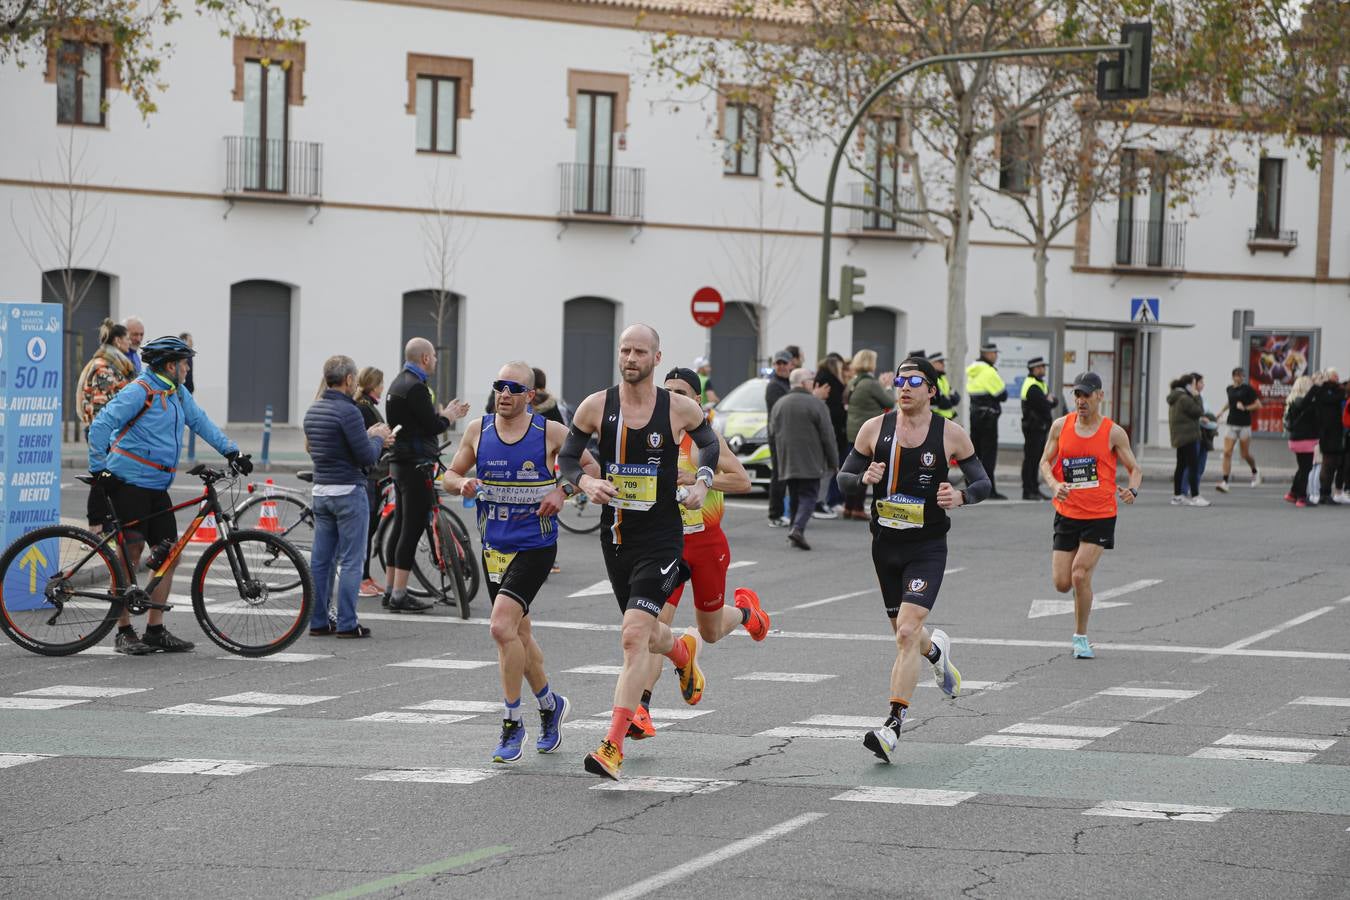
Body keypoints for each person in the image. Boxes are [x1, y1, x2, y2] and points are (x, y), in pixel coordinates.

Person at [557, 324, 722, 781]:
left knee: (632, 636)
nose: (630, 358)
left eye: (639, 351)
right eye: (625, 350)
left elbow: (709, 443)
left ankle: (612, 744)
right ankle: (683, 651)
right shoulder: (597, 405)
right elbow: (568, 457)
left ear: (655, 357)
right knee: (648, 636)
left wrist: (703, 482)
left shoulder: (678, 407)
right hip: (616, 538)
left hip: (662, 539)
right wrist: (585, 481)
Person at [836, 356, 989, 764]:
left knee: (906, 631)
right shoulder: (875, 429)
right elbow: (842, 478)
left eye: (914, 381)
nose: (904, 387)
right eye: (899, 380)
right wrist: (862, 478)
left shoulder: (950, 434)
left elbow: (982, 482)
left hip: (927, 547)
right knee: (907, 634)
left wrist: (961, 496)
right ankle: (937, 655)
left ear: (931, 390)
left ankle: (892, 725)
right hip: (884, 546)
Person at [444, 362, 585, 762]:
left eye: (513, 388)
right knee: (518, 636)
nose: (503, 394)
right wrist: (463, 483)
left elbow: (588, 467)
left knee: (500, 627)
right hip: (495, 547)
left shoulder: (551, 432)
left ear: (530, 396)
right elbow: (450, 477)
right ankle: (550, 706)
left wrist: (563, 491)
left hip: (535, 546)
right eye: (499, 386)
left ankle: (511, 724)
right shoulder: (478, 430)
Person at [625, 367, 766, 741]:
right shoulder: (651, 436)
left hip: (706, 543)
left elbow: (744, 480)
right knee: (654, 627)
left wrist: (699, 479)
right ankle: (642, 709)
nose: (673, 397)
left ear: (697, 400)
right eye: (667, 391)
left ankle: (747, 613)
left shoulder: (708, 440)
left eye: (682, 392)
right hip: (665, 545)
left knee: (711, 630)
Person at [88, 336, 251, 655]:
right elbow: (101, 424)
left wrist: (233, 451)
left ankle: (155, 629)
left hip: (157, 486)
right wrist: (98, 468)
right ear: (171, 366)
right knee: (130, 555)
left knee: (169, 555)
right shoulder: (142, 390)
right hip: (129, 482)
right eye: (185, 363)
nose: (188, 368)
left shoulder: (177, 393)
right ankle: (123, 631)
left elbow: (201, 422)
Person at [1038, 372, 1143, 659]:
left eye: (1087, 395)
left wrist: (1132, 491)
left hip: (1100, 514)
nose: (1081, 401)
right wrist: (1054, 484)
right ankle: (1080, 602)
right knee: (1062, 583)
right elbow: (1045, 462)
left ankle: (1080, 636)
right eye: (1077, 395)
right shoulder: (1061, 426)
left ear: (1100, 396)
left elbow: (1135, 469)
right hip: (1068, 513)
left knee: (1079, 574)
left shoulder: (1113, 432)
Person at [303, 356, 393, 639]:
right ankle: (346, 623)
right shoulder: (349, 412)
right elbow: (366, 456)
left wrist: (366, 436)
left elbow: (333, 446)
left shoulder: (313, 411)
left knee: (322, 560)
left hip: (321, 491)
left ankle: (318, 621)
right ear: (350, 380)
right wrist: (378, 438)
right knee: (352, 560)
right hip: (348, 491)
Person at [384, 337, 470, 613]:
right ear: (424, 358)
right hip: (416, 464)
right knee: (411, 528)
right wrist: (449, 415)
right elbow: (432, 425)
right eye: (433, 356)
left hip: (399, 463)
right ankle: (399, 594)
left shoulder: (397, 384)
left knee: (399, 527)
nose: (435, 360)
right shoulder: (417, 388)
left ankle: (390, 589)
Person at [770, 368, 840, 550]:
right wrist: (834, 462)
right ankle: (798, 529)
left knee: (794, 496)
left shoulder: (780, 404)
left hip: (787, 460)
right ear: (802, 383)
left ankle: (794, 531)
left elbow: (772, 432)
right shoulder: (816, 404)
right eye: (810, 380)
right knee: (809, 496)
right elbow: (828, 436)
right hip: (811, 459)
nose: (813, 383)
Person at [77, 319, 135, 531]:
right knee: (102, 477)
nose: (130, 343)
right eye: (128, 338)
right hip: (103, 431)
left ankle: (104, 526)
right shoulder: (104, 367)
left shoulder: (114, 363)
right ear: (118, 341)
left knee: (109, 478)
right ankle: (96, 527)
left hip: (106, 431)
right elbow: (104, 406)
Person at [844, 349, 896, 520]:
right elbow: (889, 401)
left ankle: (849, 507)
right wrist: (888, 386)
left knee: (853, 470)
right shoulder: (870, 383)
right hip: (867, 432)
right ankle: (858, 508)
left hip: (852, 431)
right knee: (865, 471)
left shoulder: (853, 381)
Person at [354, 367, 389, 598]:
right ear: (373, 384)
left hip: (372, 475)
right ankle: (361, 577)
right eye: (381, 383)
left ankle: (365, 576)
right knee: (366, 530)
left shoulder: (367, 406)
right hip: (369, 475)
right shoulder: (364, 408)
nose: (383, 387)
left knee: (369, 528)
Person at [966, 342, 1008, 499]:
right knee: (989, 456)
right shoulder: (989, 371)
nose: (996, 356)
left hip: (975, 416)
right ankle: (989, 490)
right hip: (988, 419)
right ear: (988, 354)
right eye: (995, 353)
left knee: (974, 454)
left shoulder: (973, 370)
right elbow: (1002, 395)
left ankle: (972, 485)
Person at [1215, 367, 1261, 492]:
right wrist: (1221, 412)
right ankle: (1225, 482)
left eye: (1241, 375)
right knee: (1227, 452)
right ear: (1233, 377)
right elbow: (1230, 402)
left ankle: (1255, 472)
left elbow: (1258, 404)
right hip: (1231, 424)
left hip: (1244, 425)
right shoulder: (1229, 389)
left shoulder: (1248, 389)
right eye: (1237, 375)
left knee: (1244, 454)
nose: (1239, 377)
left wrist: (1245, 407)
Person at [1167, 373, 1210, 507]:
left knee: (1180, 466)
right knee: (1193, 466)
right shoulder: (1184, 398)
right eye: (1192, 384)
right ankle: (1195, 496)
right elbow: (1198, 411)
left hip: (1180, 436)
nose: (1194, 387)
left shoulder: (1176, 397)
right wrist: (1197, 396)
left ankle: (1178, 496)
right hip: (1188, 436)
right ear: (1187, 385)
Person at [814, 354, 849, 515]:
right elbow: (833, 409)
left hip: (828, 431)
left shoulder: (821, 378)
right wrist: (845, 411)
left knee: (827, 469)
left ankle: (820, 501)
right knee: (828, 469)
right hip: (832, 431)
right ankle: (819, 502)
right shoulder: (831, 382)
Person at [1019, 356, 1057, 500]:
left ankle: (1034, 488)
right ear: (1034, 369)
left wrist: (1049, 401)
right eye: (1041, 367)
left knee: (1036, 459)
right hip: (1033, 427)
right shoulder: (1032, 386)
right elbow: (1045, 405)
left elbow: (1054, 401)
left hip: (1039, 427)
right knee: (1031, 459)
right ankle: (1028, 490)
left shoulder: (1039, 384)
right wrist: (1049, 401)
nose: (1043, 369)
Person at [764, 350, 793, 527]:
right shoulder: (775, 385)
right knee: (779, 474)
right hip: (778, 435)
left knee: (783, 474)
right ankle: (775, 514)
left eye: (784, 363)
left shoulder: (786, 383)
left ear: (791, 364)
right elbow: (780, 412)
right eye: (778, 363)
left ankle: (781, 512)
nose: (781, 366)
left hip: (785, 434)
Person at [1310, 369, 1345, 505]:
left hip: (1336, 432)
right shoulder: (1323, 391)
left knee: (1334, 463)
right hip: (1325, 433)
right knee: (1326, 463)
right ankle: (1322, 493)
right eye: (1334, 376)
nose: (1337, 378)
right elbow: (1331, 398)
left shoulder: (1337, 390)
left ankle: (1326, 493)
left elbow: (1341, 396)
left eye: (1337, 375)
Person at [1283, 374, 1317, 507]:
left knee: (1302, 467)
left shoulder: (1292, 400)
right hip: (1305, 439)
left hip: (1297, 439)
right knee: (1306, 468)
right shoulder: (1301, 401)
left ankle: (1293, 493)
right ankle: (1302, 497)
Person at [928, 351, 959, 421]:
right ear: (932, 364)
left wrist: (948, 399)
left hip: (947, 419)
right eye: (940, 362)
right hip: (935, 419)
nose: (943, 364)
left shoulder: (943, 378)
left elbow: (957, 397)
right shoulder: (931, 379)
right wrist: (949, 399)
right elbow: (943, 403)